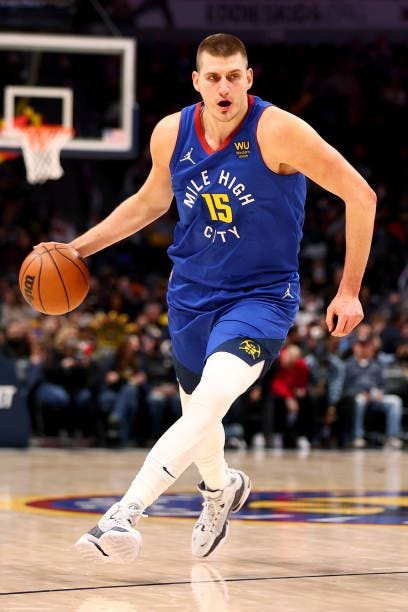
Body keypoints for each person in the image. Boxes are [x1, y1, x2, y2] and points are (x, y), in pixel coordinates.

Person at [35, 33, 376, 562]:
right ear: (197, 82)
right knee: (199, 414)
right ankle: (221, 492)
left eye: (234, 76)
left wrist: (349, 289)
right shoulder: (173, 133)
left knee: (215, 396)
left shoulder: (279, 131)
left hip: (261, 296)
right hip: (192, 295)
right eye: (213, 77)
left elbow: (362, 195)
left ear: (249, 79)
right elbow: (149, 201)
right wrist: (76, 249)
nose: (224, 87)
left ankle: (124, 512)